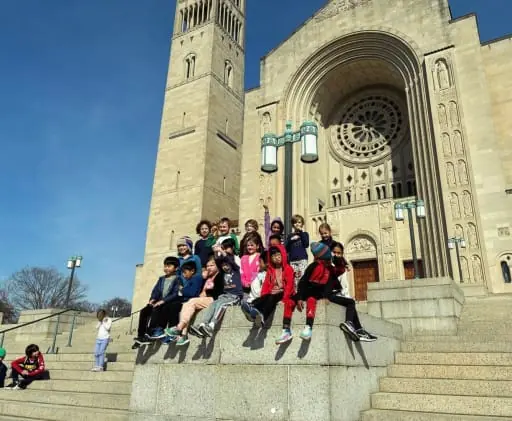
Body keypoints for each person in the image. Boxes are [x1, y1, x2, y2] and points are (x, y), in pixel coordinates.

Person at [164, 255, 222, 346]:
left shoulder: (220, 275)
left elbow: (219, 291)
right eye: (207, 266)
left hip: (213, 299)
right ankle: (183, 335)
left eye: (211, 265)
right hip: (202, 299)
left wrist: (207, 292)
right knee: (187, 305)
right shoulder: (206, 278)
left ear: (217, 266)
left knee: (191, 302)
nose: (208, 268)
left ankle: (179, 328)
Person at [330, 242, 377, 342]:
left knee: (350, 302)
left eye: (339, 253)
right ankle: (354, 326)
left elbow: (344, 286)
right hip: (329, 295)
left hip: (337, 294)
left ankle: (359, 329)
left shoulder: (341, 267)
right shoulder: (330, 266)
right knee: (350, 302)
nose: (336, 255)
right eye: (334, 252)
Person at [191, 249, 243, 337]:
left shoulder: (235, 270)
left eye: (227, 265)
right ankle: (203, 324)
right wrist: (215, 252)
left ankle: (212, 325)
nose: (225, 267)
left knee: (221, 305)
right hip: (224, 296)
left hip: (234, 297)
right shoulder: (222, 273)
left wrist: (221, 250)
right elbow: (217, 261)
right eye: (223, 266)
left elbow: (228, 260)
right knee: (213, 304)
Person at [248, 246, 295, 339]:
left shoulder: (288, 268)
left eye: (278, 255)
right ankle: (251, 309)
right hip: (272, 292)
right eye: (273, 257)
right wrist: (263, 296)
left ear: (283, 255)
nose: (276, 258)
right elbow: (266, 284)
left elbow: (290, 285)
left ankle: (263, 316)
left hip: (283, 293)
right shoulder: (271, 270)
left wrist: (285, 298)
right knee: (265, 297)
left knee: (271, 298)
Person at [132, 256, 180, 348]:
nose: (166, 268)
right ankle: (141, 336)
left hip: (168, 302)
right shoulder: (161, 279)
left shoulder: (177, 279)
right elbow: (156, 291)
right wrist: (152, 299)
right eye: (165, 266)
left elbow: (175, 293)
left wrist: (163, 301)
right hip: (159, 301)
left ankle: (151, 332)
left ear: (176, 268)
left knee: (156, 310)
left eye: (169, 266)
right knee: (145, 311)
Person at [240, 253, 267, 322]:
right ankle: (252, 314)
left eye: (260, 262)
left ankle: (253, 315)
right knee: (246, 302)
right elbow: (255, 290)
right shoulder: (257, 275)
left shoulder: (269, 274)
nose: (258, 264)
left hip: (262, 299)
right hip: (255, 298)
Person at [286, 214, 310, 289]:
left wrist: (301, 232)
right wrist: (290, 240)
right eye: (295, 222)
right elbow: (286, 249)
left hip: (302, 259)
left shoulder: (305, 234)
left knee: (302, 277)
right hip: (293, 260)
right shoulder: (290, 236)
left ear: (302, 224)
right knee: (294, 278)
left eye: (299, 222)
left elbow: (306, 244)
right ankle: (296, 294)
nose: (297, 224)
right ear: (293, 224)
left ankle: (302, 294)